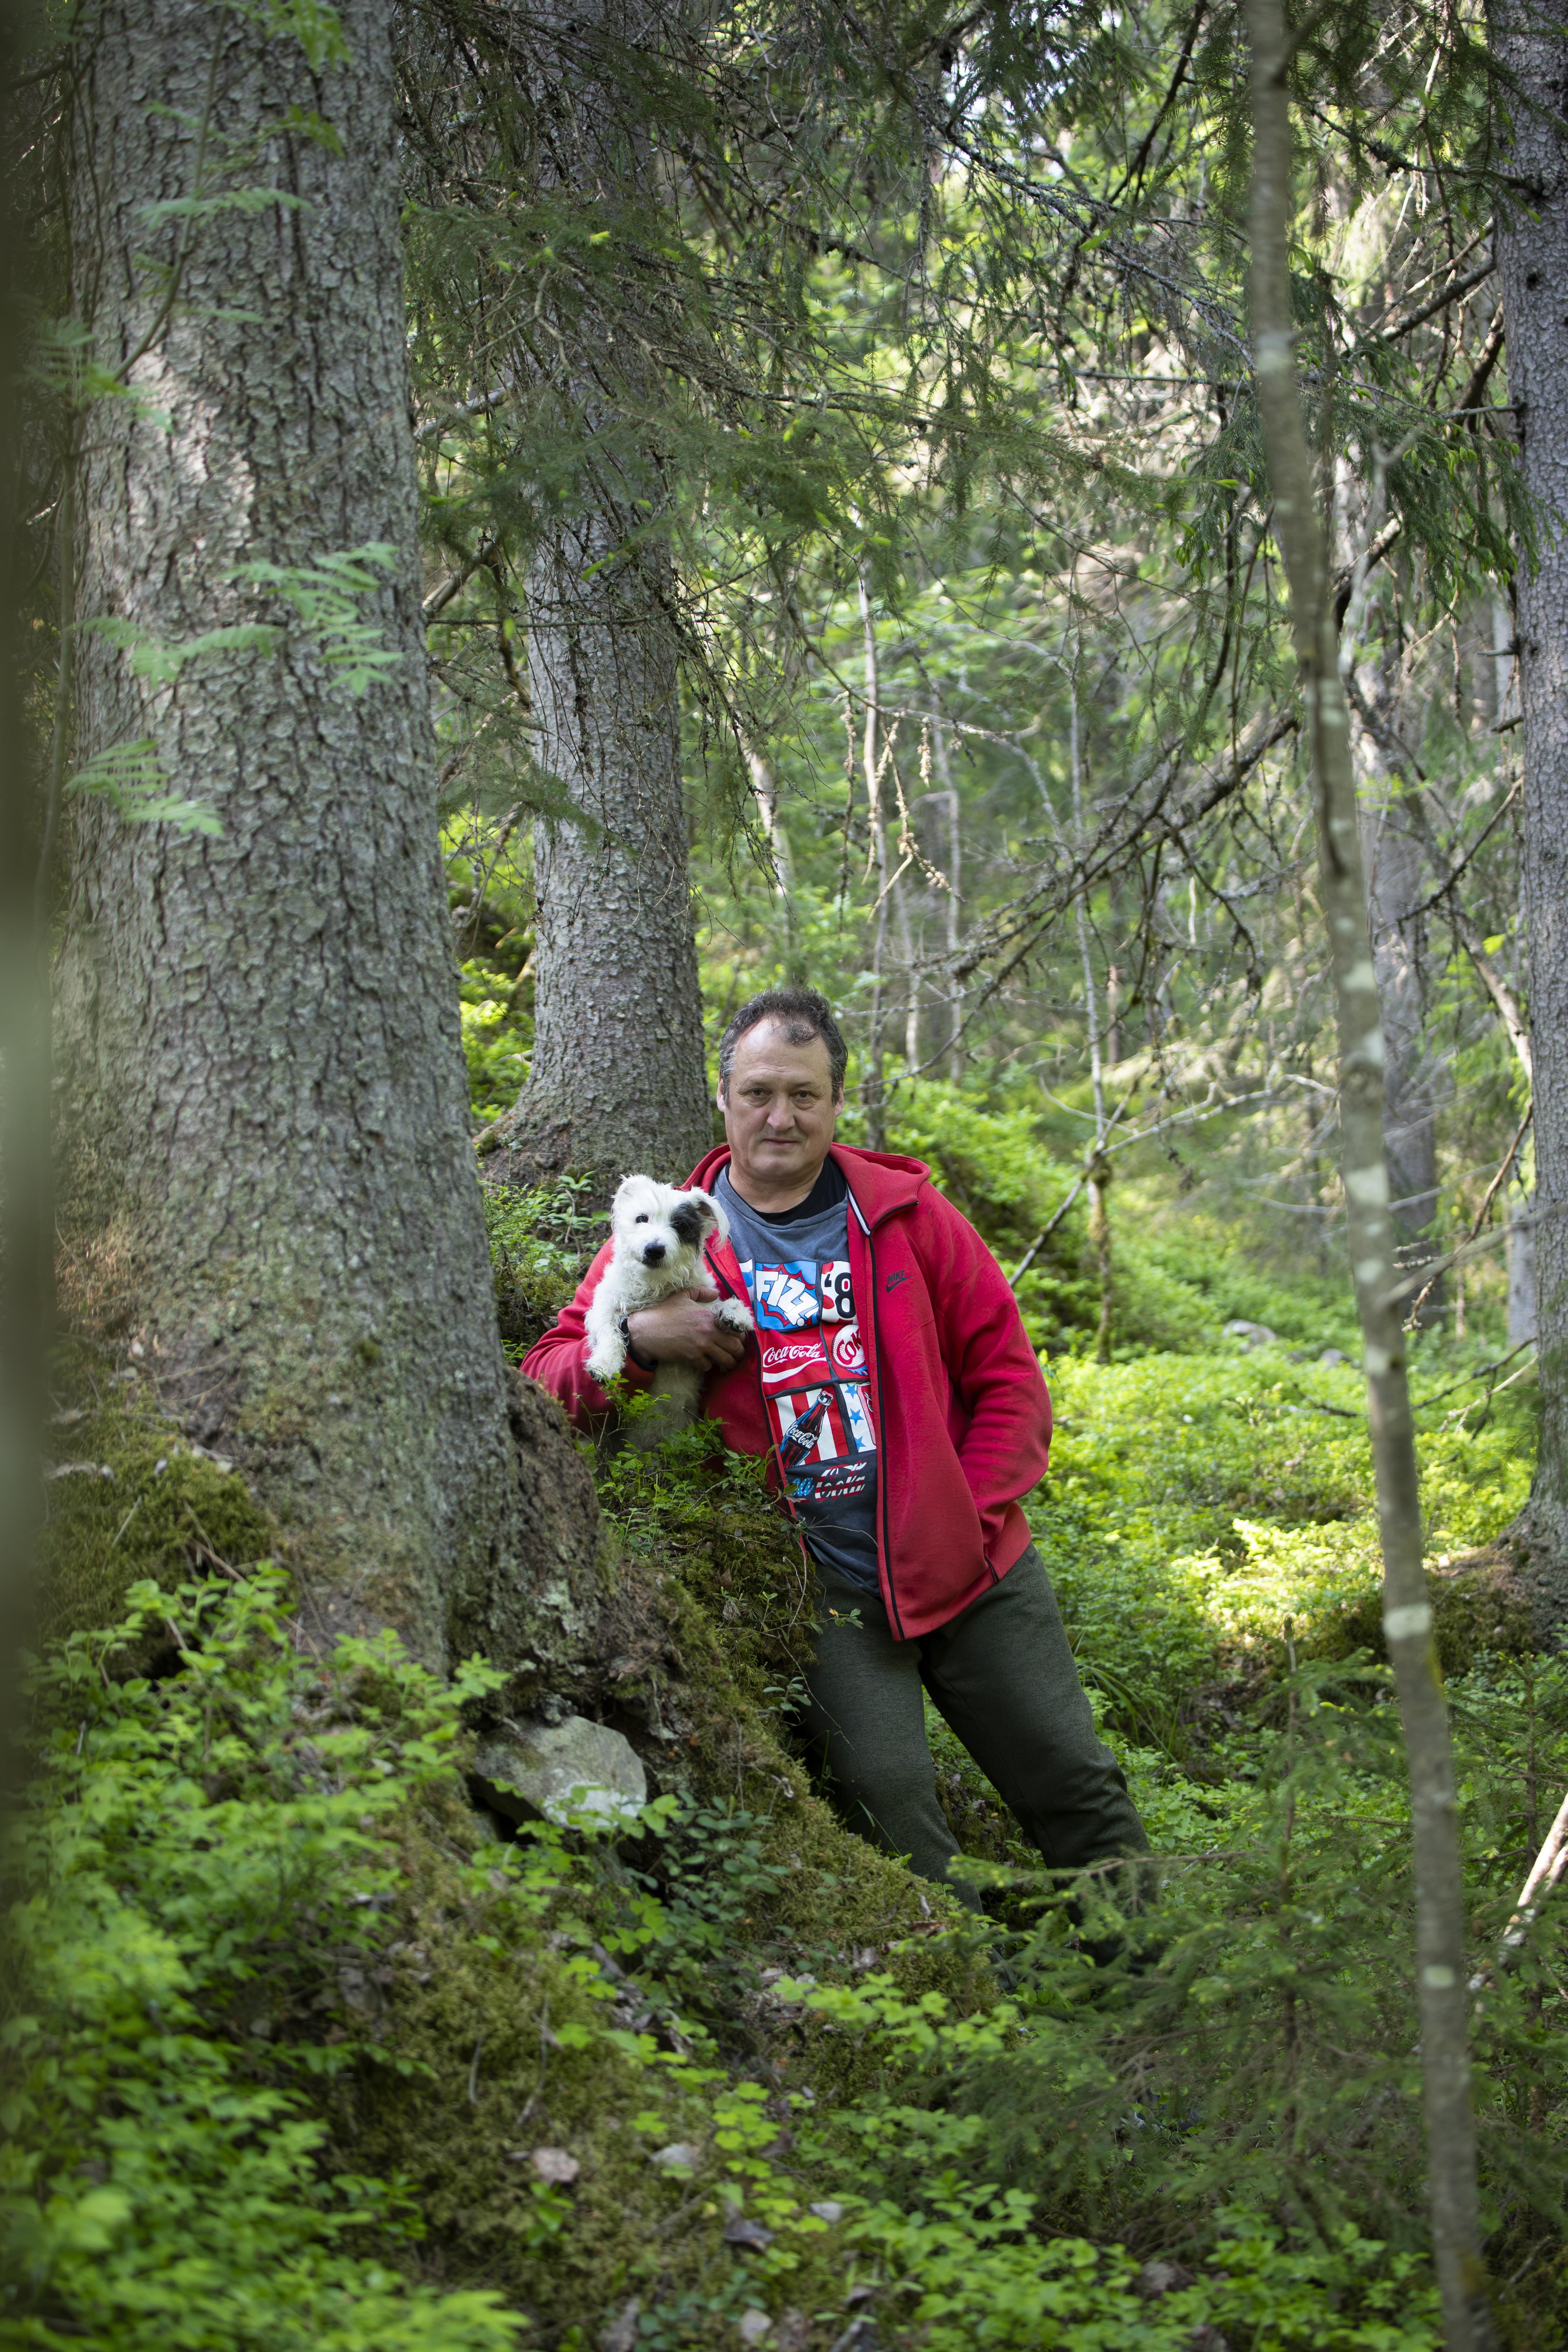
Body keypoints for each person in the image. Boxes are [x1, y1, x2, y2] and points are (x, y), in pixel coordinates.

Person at [524, 986, 1148, 1904]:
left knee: (1070, 1773)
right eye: (760, 1092)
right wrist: (641, 1351)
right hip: (825, 1591)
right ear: (726, 1097)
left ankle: (1147, 1979)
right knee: (890, 1803)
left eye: (805, 1095)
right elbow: (545, 1375)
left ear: (836, 1103)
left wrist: (965, 1516)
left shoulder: (906, 1216)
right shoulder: (670, 1235)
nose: (781, 1116)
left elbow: (1009, 1381)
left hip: (970, 1564)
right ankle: (982, 2018)